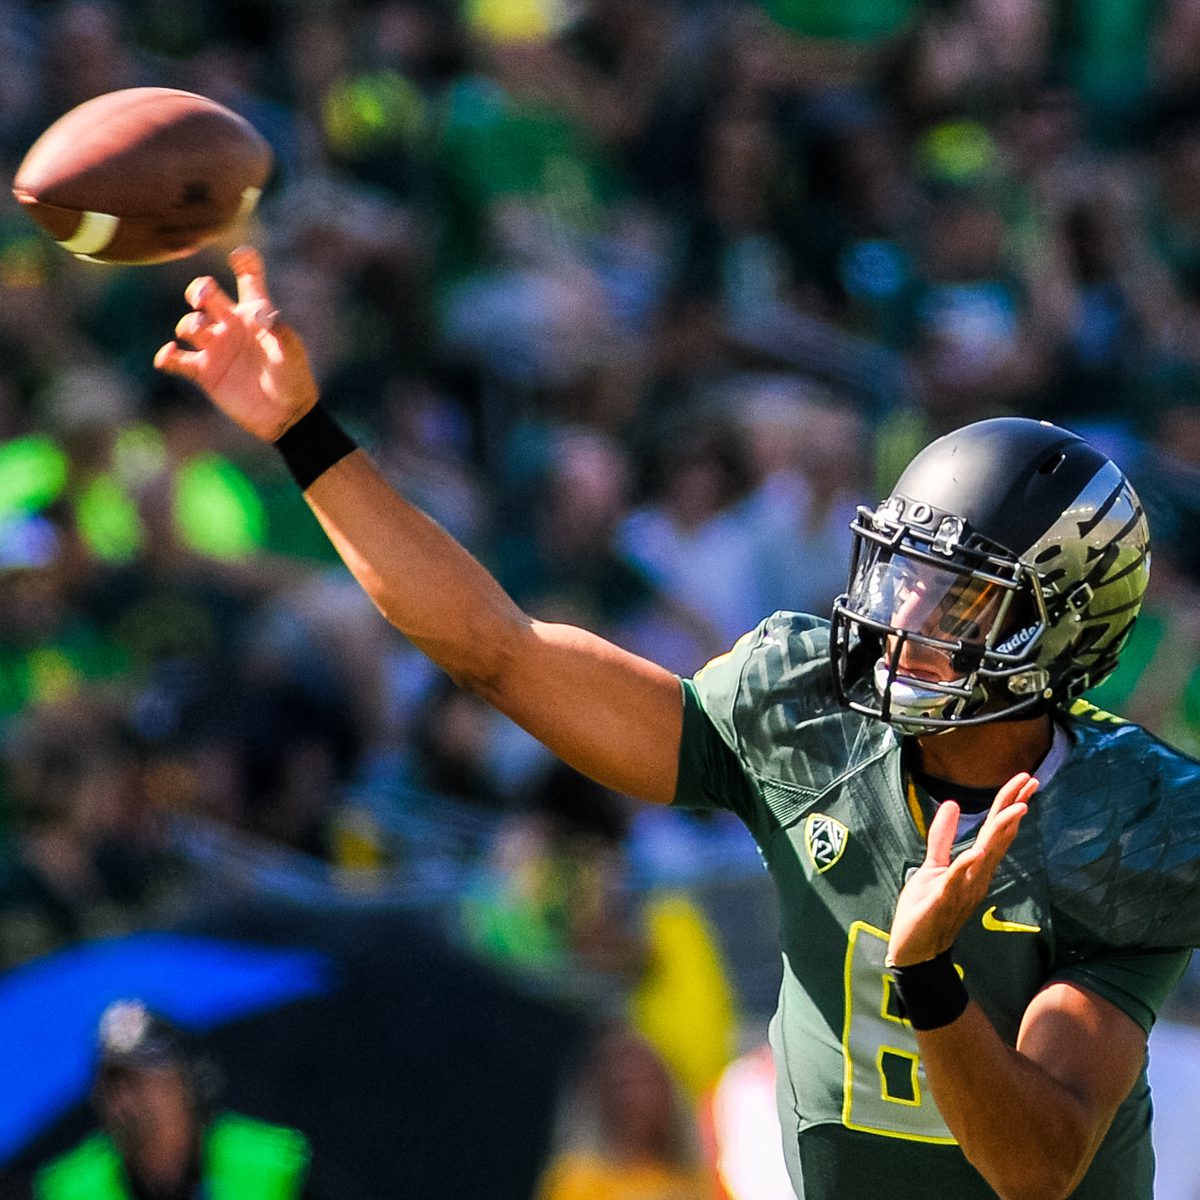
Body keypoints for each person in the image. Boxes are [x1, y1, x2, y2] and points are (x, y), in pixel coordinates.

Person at [153, 246, 1200, 1199]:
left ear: (1060, 632)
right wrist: (303, 431)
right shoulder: (805, 712)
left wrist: (925, 975)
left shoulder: (1133, 821)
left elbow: (1038, 1165)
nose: (902, 621)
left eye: (957, 599)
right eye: (903, 578)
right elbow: (496, 647)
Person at [34, 999, 312, 1200]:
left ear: (188, 1083)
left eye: (136, 1079)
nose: (122, 1099)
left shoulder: (273, 1161)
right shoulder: (69, 1188)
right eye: (110, 1081)